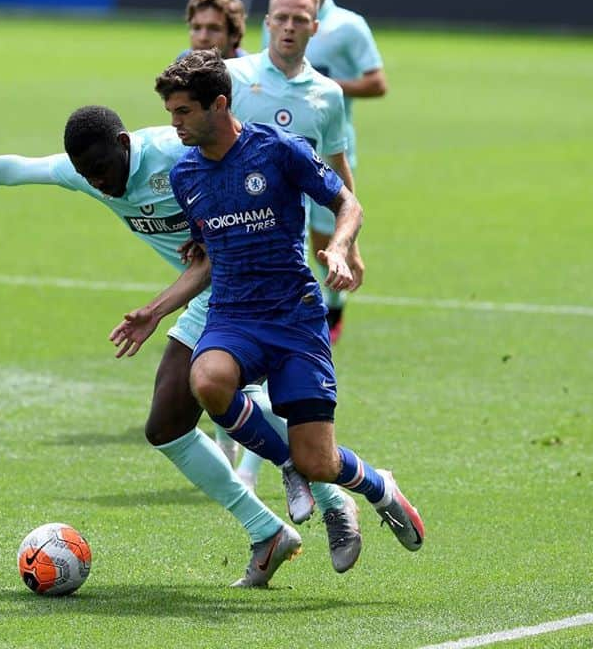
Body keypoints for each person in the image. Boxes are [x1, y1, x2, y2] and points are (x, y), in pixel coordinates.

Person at [0, 105, 361, 586]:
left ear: (122, 142)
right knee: (168, 427)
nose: (98, 184)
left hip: (255, 292)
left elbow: (256, 163)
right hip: (202, 295)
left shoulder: (174, 152)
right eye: (85, 176)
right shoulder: (85, 172)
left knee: (230, 398)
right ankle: (269, 531)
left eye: (102, 172)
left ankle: (331, 499)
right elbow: (15, 168)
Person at [111, 50, 424, 575]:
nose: (175, 125)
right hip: (234, 315)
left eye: (184, 112)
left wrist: (342, 248)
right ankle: (286, 466)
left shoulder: (277, 150)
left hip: (295, 316)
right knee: (207, 380)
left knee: (319, 460)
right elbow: (207, 258)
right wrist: (155, 311)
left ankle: (378, 485)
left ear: (219, 104)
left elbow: (349, 204)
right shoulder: (186, 176)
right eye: (170, 113)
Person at [222, 0, 363, 491]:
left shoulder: (327, 96)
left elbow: (337, 177)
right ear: (266, 22)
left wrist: (347, 244)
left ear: (314, 27)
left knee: (251, 370)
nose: (287, 26)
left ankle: (261, 468)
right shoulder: (234, 77)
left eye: (299, 19)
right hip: (222, 245)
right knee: (214, 375)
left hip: (283, 255)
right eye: (279, 17)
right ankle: (264, 464)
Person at [269, 0, 388, 344]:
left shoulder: (347, 27)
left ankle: (334, 305)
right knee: (284, 233)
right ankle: (294, 314)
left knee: (326, 235)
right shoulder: (282, 18)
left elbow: (378, 83)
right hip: (282, 149)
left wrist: (321, 87)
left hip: (331, 147)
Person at [180, 0, 248, 60]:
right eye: (196, 28)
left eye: (214, 29)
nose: (203, 38)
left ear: (235, 34)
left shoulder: (249, 70)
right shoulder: (183, 61)